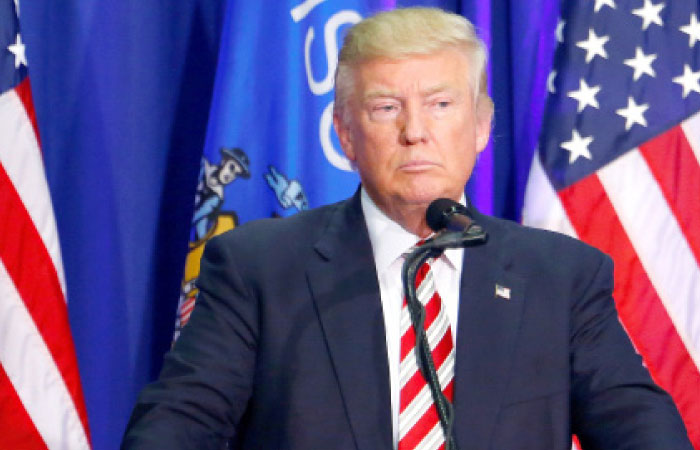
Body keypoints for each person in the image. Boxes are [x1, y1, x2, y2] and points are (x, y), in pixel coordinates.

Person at [122, 7, 692, 449]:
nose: (415, 131)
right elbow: (179, 423)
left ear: (481, 126)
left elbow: (639, 428)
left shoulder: (561, 275)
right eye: (386, 108)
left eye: (441, 104)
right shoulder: (258, 269)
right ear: (345, 134)